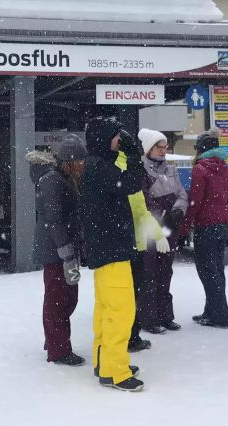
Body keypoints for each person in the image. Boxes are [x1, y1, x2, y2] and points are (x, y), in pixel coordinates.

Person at [80, 117, 146, 392]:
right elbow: (132, 184)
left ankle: (104, 362)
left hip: (106, 248)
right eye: (116, 135)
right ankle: (117, 371)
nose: (120, 140)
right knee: (121, 311)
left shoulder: (95, 165)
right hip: (112, 249)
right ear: (103, 138)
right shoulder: (100, 167)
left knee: (106, 310)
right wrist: (133, 154)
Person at [26, 134, 88, 367]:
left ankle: (54, 337)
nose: (83, 165)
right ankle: (58, 349)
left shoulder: (65, 178)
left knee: (68, 297)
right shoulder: (53, 180)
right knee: (58, 299)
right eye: (80, 160)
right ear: (69, 161)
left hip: (64, 248)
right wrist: (66, 251)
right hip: (56, 251)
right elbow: (54, 219)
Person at [180, 128, 228, 328]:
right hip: (221, 226)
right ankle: (211, 310)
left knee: (207, 270)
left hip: (206, 226)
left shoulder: (200, 169)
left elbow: (195, 201)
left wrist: (185, 226)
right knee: (217, 270)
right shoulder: (225, 168)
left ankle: (219, 315)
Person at [138, 128, 187, 334]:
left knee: (165, 271)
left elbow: (182, 193)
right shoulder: (141, 170)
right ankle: (149, 318)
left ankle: (165, 315)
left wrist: (178, 210)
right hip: (150, 229)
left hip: (170, 228)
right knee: (149, 273)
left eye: (165, 146)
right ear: (148, 148)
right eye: (159, 146)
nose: (163, 150)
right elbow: (144, 201)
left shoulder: (171, 169)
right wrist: (158, 218)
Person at [125, 168, 169, 351]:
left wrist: (159, 235)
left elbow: (142, 213)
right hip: (128, 248)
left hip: (134, 246)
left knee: (132, 293)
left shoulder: (128, 180)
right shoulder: (125, 179)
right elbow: (141, 213)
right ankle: (128, 337)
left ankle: (131, 336)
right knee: (128, 295)